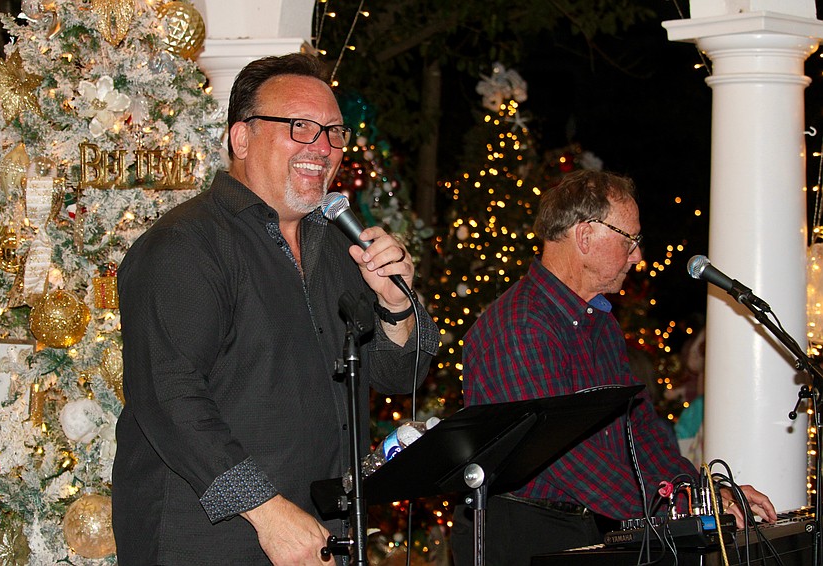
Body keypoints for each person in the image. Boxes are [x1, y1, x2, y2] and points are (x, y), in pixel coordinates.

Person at [112, 53, 439, 565]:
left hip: (315, 535)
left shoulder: (338, 246)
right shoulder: (185, 244)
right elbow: (169, 394)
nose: (322, 147)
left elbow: (401, 376)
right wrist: (265, 510)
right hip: (206, 539)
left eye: (333, 132)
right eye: (300, 127)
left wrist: (396, 305)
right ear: (240, 139)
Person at [450, 170, 776, 565]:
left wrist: (698, 490)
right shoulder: (520, 324)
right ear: (585, 236)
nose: (638, 255)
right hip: (520, 534)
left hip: (580, 525)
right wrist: (681, 510)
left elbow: (639, 427)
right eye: (630, 240)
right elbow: (564, 457)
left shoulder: (599, 322)